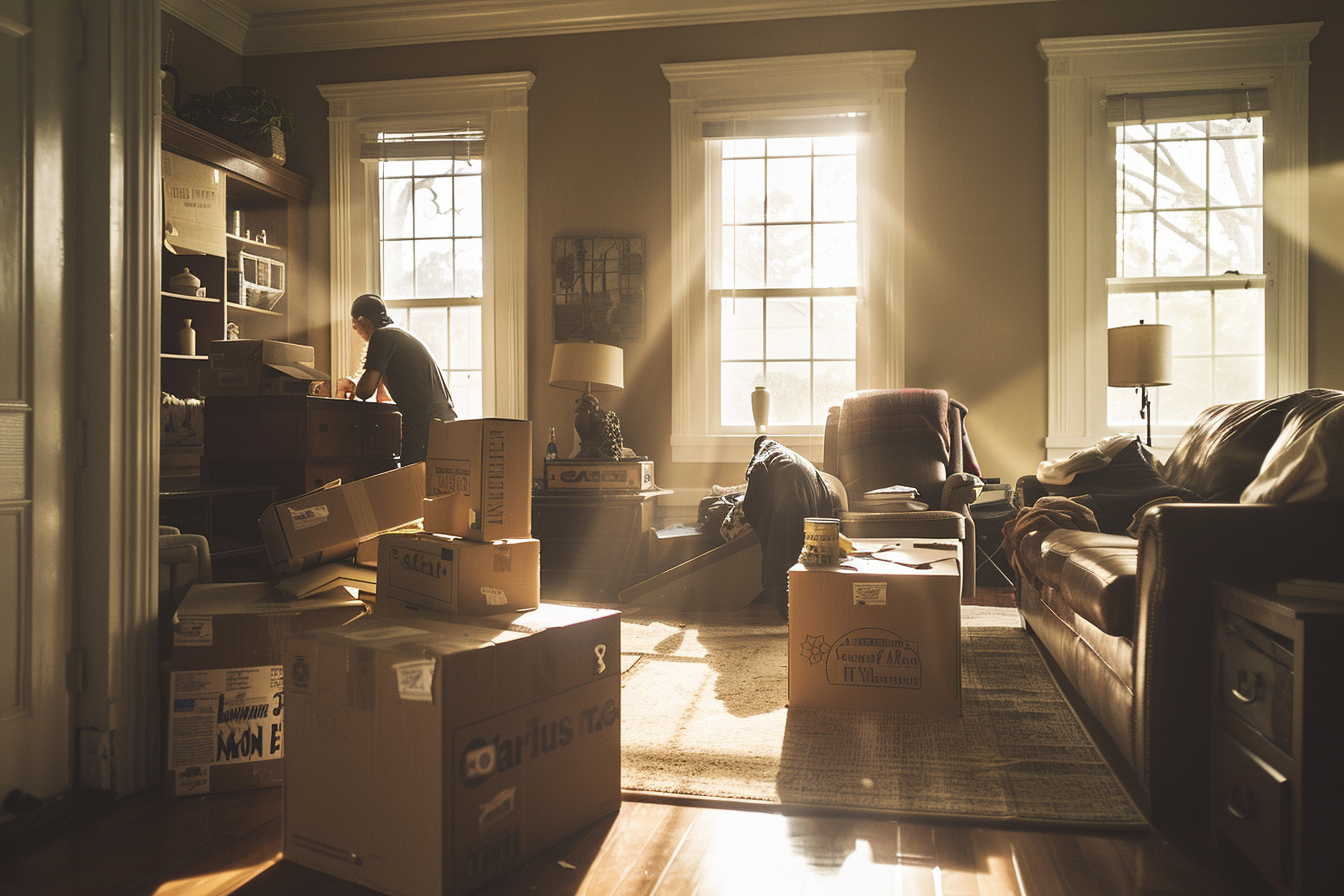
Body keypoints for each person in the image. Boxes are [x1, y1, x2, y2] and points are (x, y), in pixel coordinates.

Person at [335, 293, 456, 465]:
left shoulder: (381, 337)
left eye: (356, 326)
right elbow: (383, 396)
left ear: (362, 320)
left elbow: (364, 391)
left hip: (424, 424)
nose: (358, 332)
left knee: (412, 482)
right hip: (442, 420)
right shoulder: (398, 334)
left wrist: (351, 386)